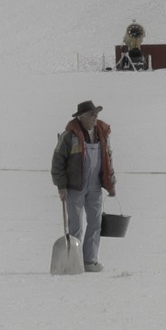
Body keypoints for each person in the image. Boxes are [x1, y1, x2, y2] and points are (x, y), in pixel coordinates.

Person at [51, 100, 116, 271]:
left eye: (96, 114)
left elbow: (108, 160)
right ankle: (75, 261)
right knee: (76, 225)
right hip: (75, 187)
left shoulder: (102, 134)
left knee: (95, 223)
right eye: (91, 115)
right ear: (81, 117)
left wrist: (111, 184)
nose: (95, 117)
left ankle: (90, 260)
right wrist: (61, 186)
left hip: (94, 186)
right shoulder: (70, 136)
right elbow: (58, 161)